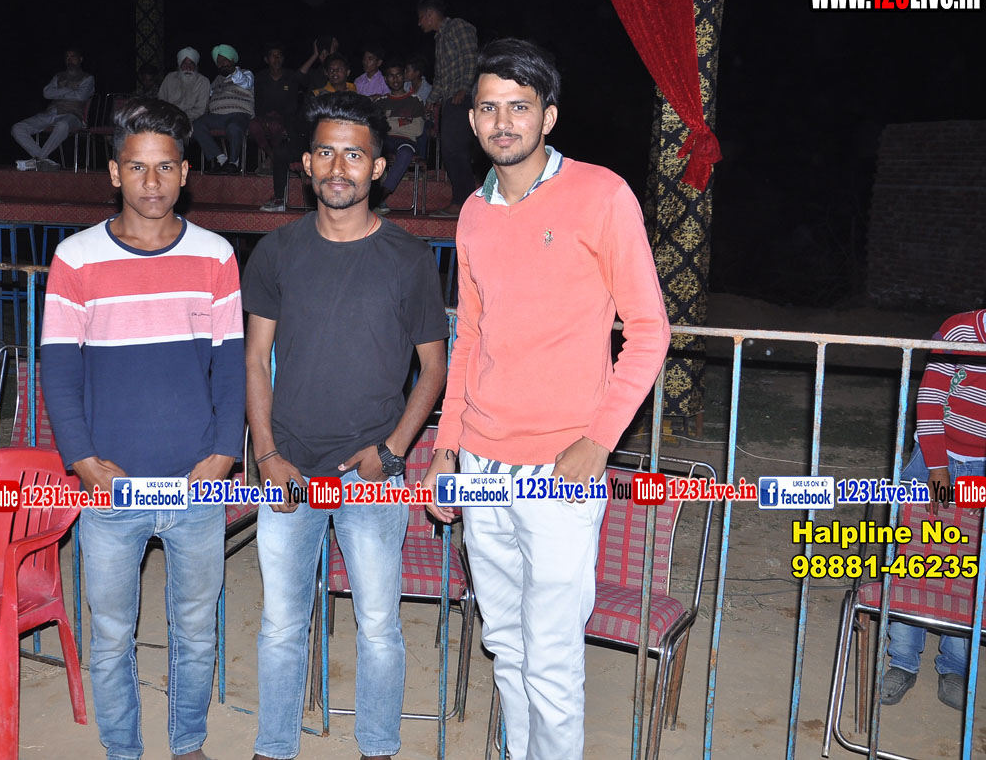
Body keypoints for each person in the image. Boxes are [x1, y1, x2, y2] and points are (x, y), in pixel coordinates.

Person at [421, 38, 670, 760]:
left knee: (552, 658)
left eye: (519, 107)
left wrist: (598, 439)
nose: (503, 122)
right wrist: (445, 448)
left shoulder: (602, 194)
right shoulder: (473, 212)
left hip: (562, 468)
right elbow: (470, 339)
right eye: (489, 108)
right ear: (472, 119)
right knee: (506, 645)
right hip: (480, 464)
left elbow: (650, 330)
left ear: (548, 116)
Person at [243, 91, 449, 760]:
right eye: (326, 153)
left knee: (380, 626)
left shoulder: (408, 258)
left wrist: (391, 452)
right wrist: (267, 455)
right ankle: (274, 747)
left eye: (354, 155)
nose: (339, 167)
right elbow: (256, 359)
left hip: (371, 478)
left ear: (378, 167)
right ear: (305, 164)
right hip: (289, 472)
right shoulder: (276, 252)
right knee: (281, 626)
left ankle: (378, 747)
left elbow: (434, 367)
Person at [41, 98, 245, 760]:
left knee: (196, 632)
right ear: (114, 172)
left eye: (165, 167)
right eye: (136, 167)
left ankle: (187, 744)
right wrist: (84, 461)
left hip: (197, 485)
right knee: (110, 636)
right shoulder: (75, 258)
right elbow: (59, 373)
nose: (151, 182)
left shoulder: (216, 256)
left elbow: (231, 368)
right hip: (111, 488)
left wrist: (223, 454)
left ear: (185, 172)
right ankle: (122, 749)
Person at [882, 308, 986, 710]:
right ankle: (902, 661)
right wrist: (938, 470)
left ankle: (955, 667)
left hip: (981, 467)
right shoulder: (959, 329)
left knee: (968, 565)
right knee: (914, 556)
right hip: (933, 456)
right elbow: (929, 400)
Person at [416, 0, 477, 216]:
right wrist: (431, 100)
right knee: (450, 149)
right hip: (450, 99)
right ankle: (463, 200)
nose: (419, 23)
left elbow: (471, 58)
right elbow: (441, 77)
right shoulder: (439, 38)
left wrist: (464, 88)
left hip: (462, 97)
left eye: (421, 18)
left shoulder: (458, 27)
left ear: (430, 14)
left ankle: (463, 201)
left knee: (455, 148)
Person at [11, 47, 95, 172]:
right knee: (17, 128)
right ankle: (44, 161)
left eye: (73, 57)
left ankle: (36, 161)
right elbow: (47, 93)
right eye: (67, 57)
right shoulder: (58, 76)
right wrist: (71, 91)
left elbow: (81, 96)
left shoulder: (87, 78)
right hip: (51, 112)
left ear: (80, 59)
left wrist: (58, 92)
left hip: (73, 115)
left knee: (62, 125)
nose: (69, 59)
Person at [372, 60, 426, 214]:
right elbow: (377, 127)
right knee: (374, 151)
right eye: (391, 76)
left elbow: (417, 129)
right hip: (385, 140)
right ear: (385, 79)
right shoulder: (381, 102)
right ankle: (376, 198)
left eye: (398, 75)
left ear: (404, 77)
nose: (395, 79)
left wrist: (389, 121)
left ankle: (380, 196)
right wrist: (403, 122)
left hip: (406, 141)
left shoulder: (415, 101)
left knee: (406, 153)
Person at [194, 44, 255, 174]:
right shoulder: (217, 79)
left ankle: (233, 163)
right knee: (197, 124)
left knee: (233, 127)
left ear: (232, 60)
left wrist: (233, 71)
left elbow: (245, 83)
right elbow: (208, 94)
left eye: (224, 60)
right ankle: (221, 159)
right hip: (216, 116)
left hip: (239, 114)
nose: (221, 64)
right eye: (219, 62)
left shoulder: (246, 73)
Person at [250, 42, 306, 175]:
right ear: (266, 59)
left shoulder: (290, 76)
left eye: (279, 56)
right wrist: (264, 116)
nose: (276, 59)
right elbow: (258, 102)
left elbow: (293, 103)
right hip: (265, 117)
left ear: (283, 58)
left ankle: (272, 161)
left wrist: (279, 115)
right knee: (253, 125)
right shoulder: (260, 77)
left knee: (275, 126)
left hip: (285, 118)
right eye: (273, 56)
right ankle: (273, 157)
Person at [158, 47, 211, 122]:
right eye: (185, 64)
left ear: (195, 65)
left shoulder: (203, 81)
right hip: (169, 119)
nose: (188, 68)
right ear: (180, 65)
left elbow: (201, 110)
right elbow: (161, 101)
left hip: (194, 120)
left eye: (191, 64)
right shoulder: (169, 78)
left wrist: (180, 117)